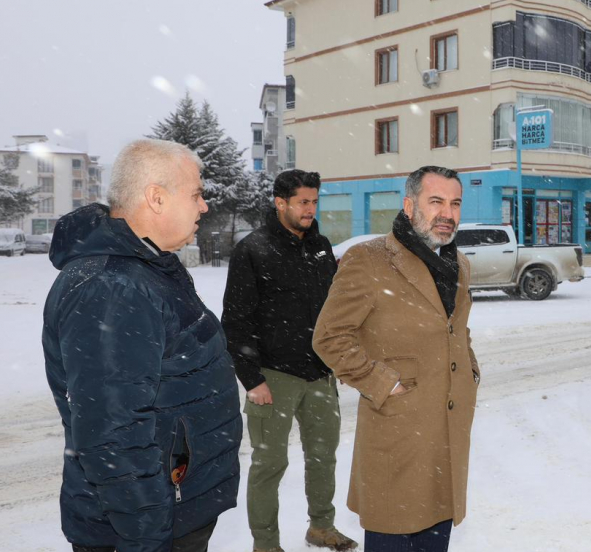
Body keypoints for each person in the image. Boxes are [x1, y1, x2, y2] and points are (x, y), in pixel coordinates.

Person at [41, 139, 241, 552]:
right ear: (156, 197)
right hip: (147, 526)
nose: (204, 206)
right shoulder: (112, 286)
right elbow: (113, 436)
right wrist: (148, 538)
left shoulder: (147, 267)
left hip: (173, 508)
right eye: (196, 194)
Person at [313, 165, 480, 552]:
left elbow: (456, 328)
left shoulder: (459, 264)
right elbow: (330, 336)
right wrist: (382, 382)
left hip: (447, 433)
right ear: (409, 206)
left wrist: (469, 369)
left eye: (455, 203)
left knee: (436, 534)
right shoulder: (369, 259)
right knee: (393, 529)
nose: (447, 213)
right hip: (398, 431)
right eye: (435, 201)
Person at [223, 169, 358, 552]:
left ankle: (322, 527)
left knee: (323, 457)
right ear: (280, 202)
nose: (310, 209)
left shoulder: (320, 246)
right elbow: (236, 320)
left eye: (314, 201)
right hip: (273, 376)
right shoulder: (253, 249)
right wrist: (252, 379)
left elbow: (333, 310)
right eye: (302, 202)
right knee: (269, 465)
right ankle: (266, 544)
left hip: (320, 373)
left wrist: (340, 359)